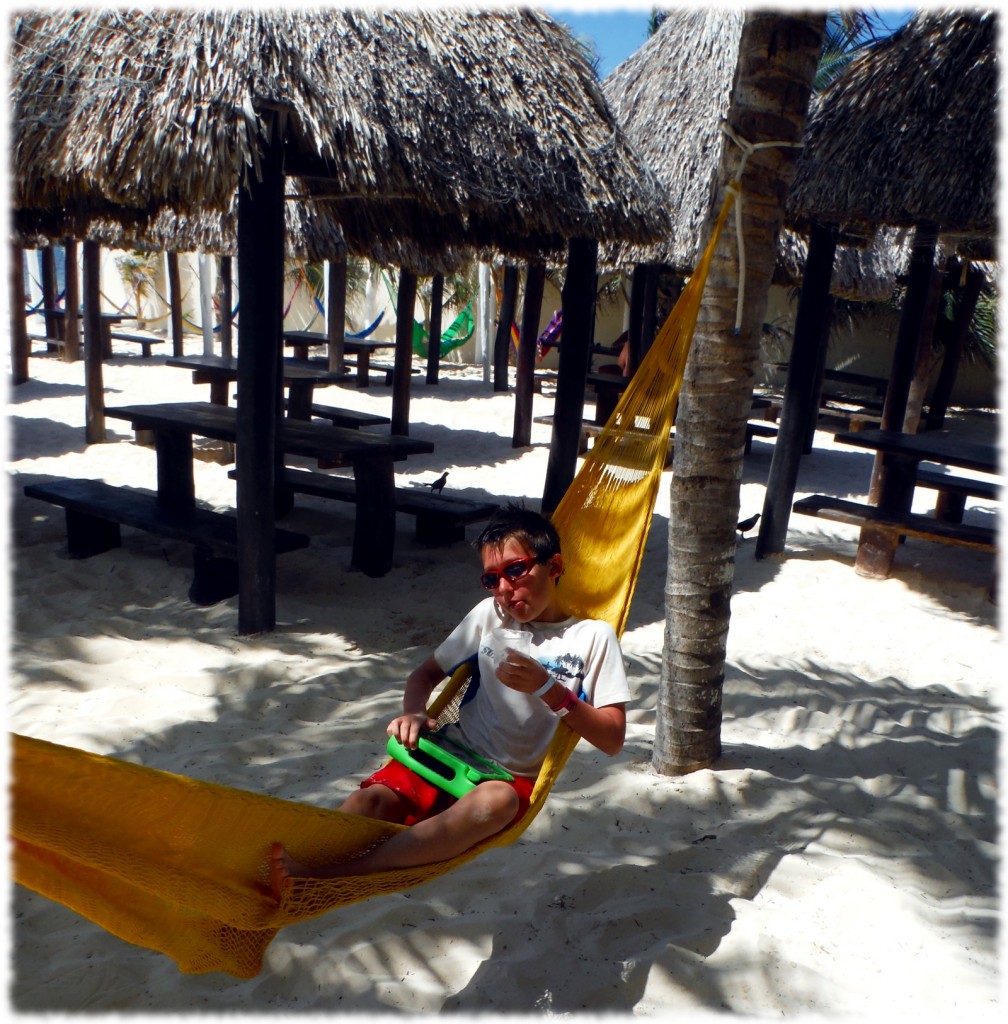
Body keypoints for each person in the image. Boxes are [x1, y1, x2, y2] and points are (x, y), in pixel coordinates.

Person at [269, 503, 630, 894]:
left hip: (506, 780)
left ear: (554, 566)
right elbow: (424, 675)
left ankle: (346, 875)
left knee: (496, 803)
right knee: (366, 806)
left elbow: (611, 739)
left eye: (515, 570)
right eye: (491, 579)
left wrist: (548, 689)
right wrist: (412, 712)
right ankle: (288, 870)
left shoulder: (592, 638)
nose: (505, 590)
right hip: (448, 752)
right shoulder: (489, 617)